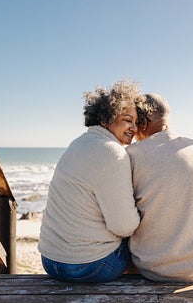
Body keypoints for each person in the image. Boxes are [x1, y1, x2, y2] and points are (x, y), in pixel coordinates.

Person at [38, 80, 145, 283]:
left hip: (50, 261)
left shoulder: (78, 143)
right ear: (105, 119)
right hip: (89, 267)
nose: (134, 128)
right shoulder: (112, 153)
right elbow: (124, 227)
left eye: (136, 122)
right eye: (127, 120)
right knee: (145, 251)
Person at [127, 93, 193, 282]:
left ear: (144, 123)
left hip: (154, 269)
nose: (132, 131)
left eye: (134, 122)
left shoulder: (132, 155)